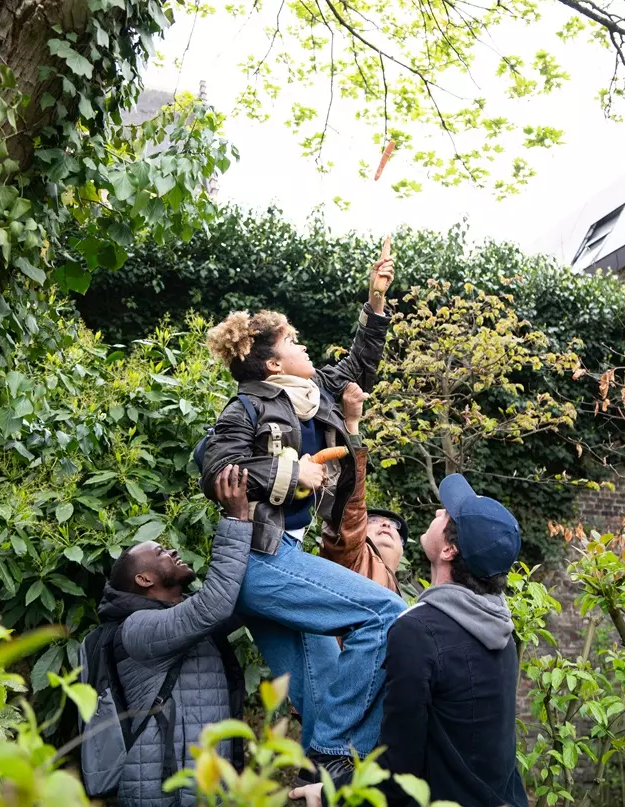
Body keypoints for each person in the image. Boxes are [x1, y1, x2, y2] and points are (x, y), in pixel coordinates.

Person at [200, 253, 407, 774]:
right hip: (259, 559)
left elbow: (361, 360)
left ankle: (322, 777)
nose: (303, 344)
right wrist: (293, 474)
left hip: (283, 557)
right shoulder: (245, 408)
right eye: (293, 341)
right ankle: (341, 757)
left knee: (321, 697)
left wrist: (376, 299)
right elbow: (217, 467)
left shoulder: (317, 398)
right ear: (273, 365)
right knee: (386, 614)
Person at [291, 473, 529, 807]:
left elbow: (399, 767)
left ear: (448, 549)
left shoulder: (419, 632)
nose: (436, 513)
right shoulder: (500, 629)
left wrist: (330, 792)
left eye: (445, 515)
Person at [94, 466, 252, 807]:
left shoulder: (187, 619)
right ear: (145, 580)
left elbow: (242, 599)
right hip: (160, 795)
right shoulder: (137, 629)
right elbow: (215, 605)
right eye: (162, 552)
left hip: (201, 790)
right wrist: (236, 520)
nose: (173, 551)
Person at [319, 382, 406, 594]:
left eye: (393, 526)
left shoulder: (405, 602)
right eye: (373, 521)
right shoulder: (352, 556)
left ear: (403, 550)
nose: (385, 524)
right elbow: (351, 506)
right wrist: (351, 423)